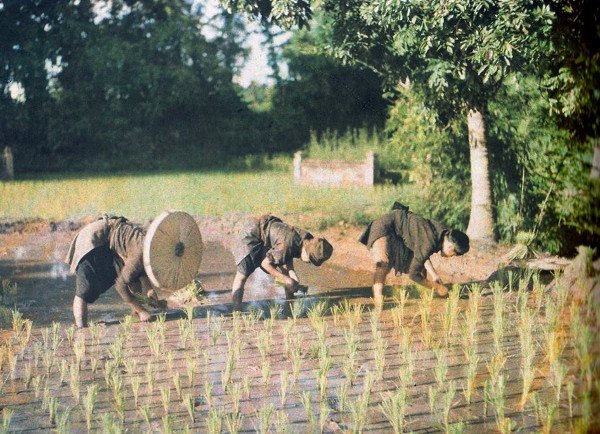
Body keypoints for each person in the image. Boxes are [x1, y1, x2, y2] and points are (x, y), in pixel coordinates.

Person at [359, 202, 469, 308]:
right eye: (454, 254)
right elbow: (413, 274)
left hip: (399, 232)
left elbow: (423, 256)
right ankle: (378, 300)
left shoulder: (442, 233)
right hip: (385, 226)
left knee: (420, 266)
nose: (452, 256)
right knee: (383, 264)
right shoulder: (429, 241)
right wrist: (436, 287)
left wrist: (434, 275)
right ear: (450, 246)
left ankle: (423, 293)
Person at [65, 215, 159, 327]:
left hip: (110, 239)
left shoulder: (147, 246)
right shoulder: (140, 253)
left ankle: (136, 311)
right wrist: (143, 311)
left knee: (133, 278)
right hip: (92, 240)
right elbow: (120, 285)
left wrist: (150, 290)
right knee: (84, 290)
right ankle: (82, 329)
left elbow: (140, 270)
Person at [231, 215, 333, 306]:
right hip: (250, 233)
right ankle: (236, 309)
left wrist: (292, 274)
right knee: (242, 276)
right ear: (307, 251)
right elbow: (265, 264)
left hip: (267, 232)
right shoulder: (286, 246)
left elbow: (288, 255)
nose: (309, 263)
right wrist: (285, 279)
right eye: (310, 260)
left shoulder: (307, 239)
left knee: (286, 275)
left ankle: (290, 301)